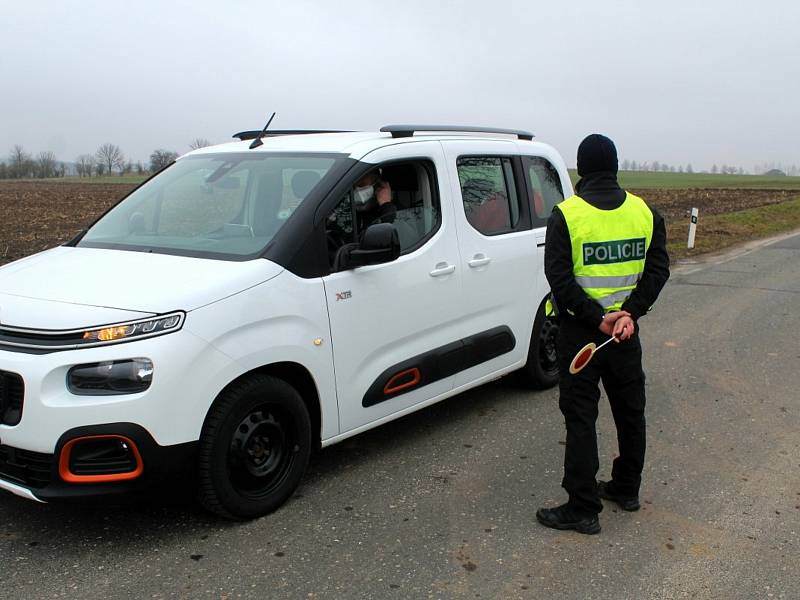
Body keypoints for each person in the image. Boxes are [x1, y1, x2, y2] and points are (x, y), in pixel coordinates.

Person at [536, 134, 670, 534]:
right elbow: (658, 270)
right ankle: (627, 488)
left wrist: (599, 318)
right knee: (631, 412)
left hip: (583, 334)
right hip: (626, 333)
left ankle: (583, 506)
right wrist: (630, 313)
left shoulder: (567, 214)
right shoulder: (645, 213)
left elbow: (559, 279)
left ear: (581, 169)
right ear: (614, 167)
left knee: (581, 417)